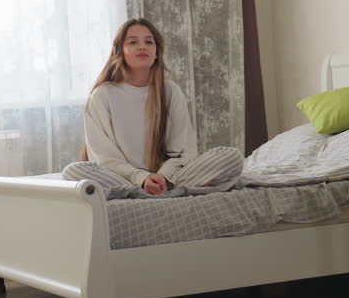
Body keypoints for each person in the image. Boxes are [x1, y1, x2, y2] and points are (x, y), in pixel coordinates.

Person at [62, 17, 243, 197]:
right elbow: (104, 158)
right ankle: (151, 192)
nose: (142, 47)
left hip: (170, 177)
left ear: (156, 52)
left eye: (149, 42)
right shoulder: (102, 95)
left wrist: (161, 177)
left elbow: (183, 153)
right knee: (73, 172)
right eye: (133, 42)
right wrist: (142, 178)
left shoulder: (171, 91)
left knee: (231, 156)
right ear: (120, 51)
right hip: (125, 178)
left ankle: (151, 192)